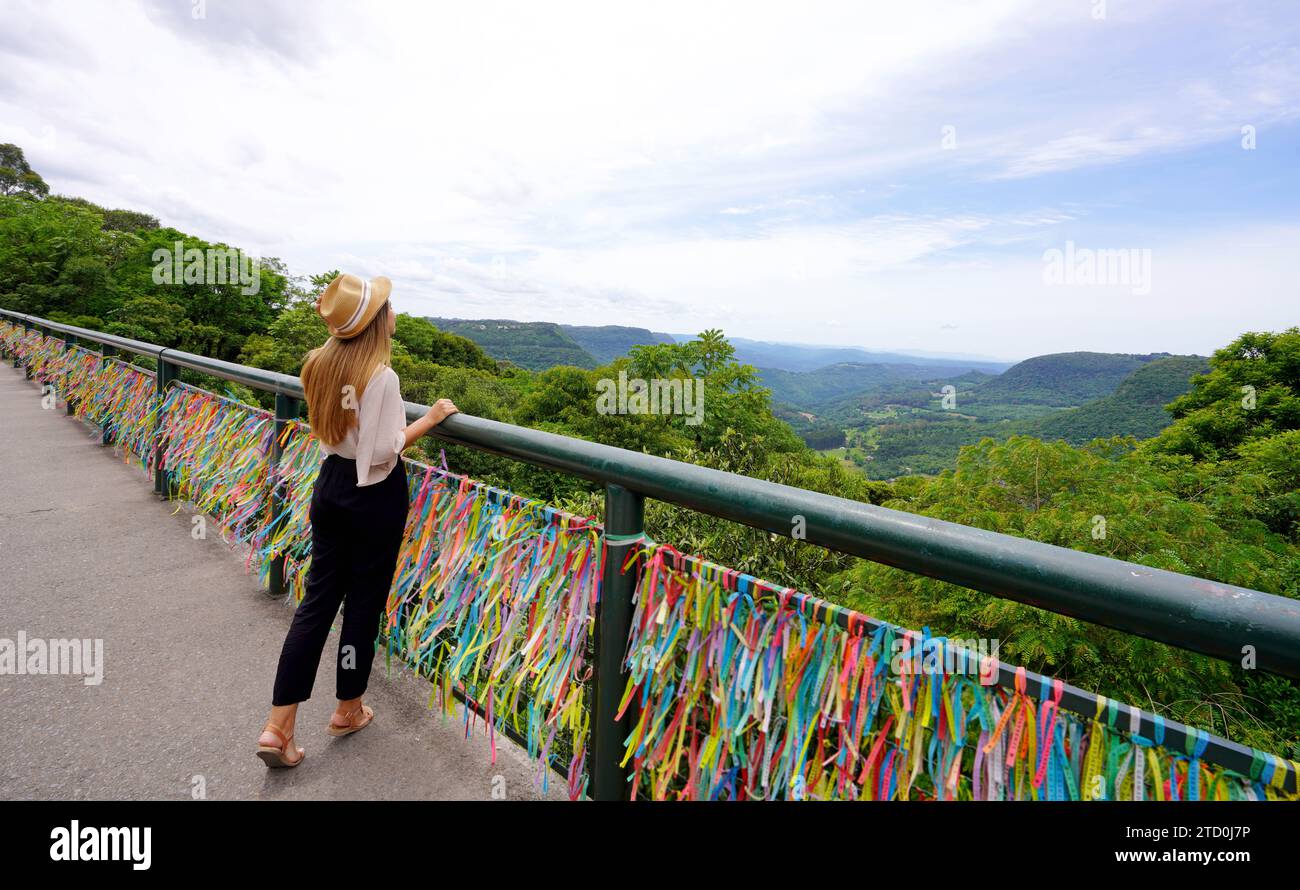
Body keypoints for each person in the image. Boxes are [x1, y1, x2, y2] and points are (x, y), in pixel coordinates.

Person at [255, 272, 457, 768]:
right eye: (389, 307)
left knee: (317, 603)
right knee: (363, 604)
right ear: (374, 322)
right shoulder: (381, 377)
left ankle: (278, 727)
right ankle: (347, 707)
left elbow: (341, 436)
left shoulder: (317, 363)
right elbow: (385, 450)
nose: (394, 313)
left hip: (331, 486)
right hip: (374, 498)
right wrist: (430, 419)